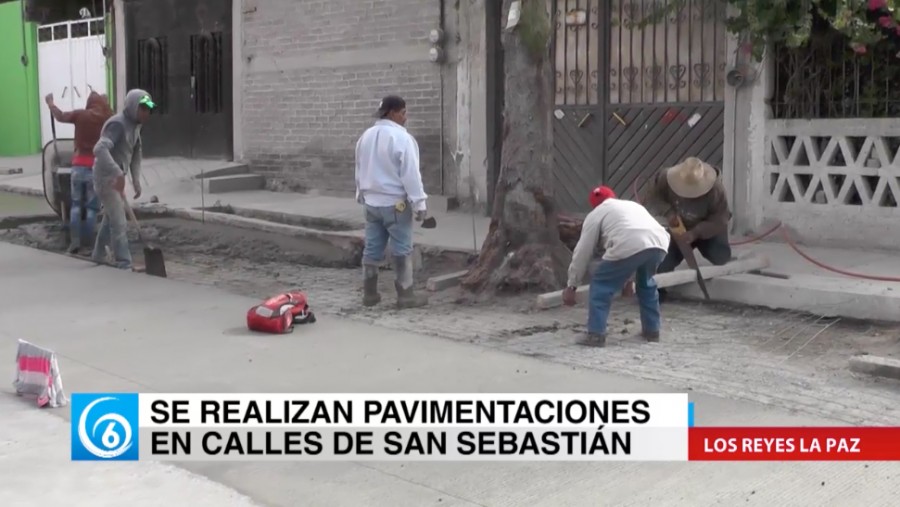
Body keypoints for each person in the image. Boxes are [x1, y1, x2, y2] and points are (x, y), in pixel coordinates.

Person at [562, 186, 670, 347]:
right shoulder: (632, 206)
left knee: (601, 284)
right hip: (659, 242)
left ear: (594, 205)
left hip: (629, 243)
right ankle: (652, 331)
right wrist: (629, 281)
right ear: (613, 197)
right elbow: (637, 246)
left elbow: (583, 251)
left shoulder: (596, 214)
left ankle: (596, 335)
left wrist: (572, 285)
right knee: (646, 283)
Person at [355, 95, 429, 309]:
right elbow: (411, 175)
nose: (406, 118)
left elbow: (359, 168)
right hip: (396, 205)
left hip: (371, 204)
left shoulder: (365, 136)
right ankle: (405, 295)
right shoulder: (402, 139)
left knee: (372, 248)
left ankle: (369, 295)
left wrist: (360, 194)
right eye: (404, 113)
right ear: (393, 113)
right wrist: (419, 204)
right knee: (402, 249)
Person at [91, 89, 155, 270]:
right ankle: (124, 263)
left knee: (111, 217)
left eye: (149, 109)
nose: (146, 113)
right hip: (105, 179)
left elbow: (136, 152)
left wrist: (135, 179)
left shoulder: (135, 125)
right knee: (119, 221)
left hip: (116, 177)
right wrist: (117, 172)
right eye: (143, 108)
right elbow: (99, 149)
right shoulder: (117, 125)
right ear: (133, 106)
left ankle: (98, 255)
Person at [45, 91, 113, 254]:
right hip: (95, 167)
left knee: (76, 205)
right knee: (91, 208)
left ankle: (75, 242)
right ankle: (88, 244)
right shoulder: (106, 119)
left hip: (78, 166)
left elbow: (60, 116)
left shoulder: (80, 115)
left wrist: (51, 104)